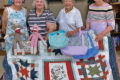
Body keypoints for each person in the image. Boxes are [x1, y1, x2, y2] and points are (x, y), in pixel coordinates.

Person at [2, 0, 28, 79]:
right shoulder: (7, 10)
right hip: (11, 42)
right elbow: (4, 26)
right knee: (11, 63)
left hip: (23, 42)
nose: (18, 0)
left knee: (22, 63)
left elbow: (25, 25)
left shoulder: (25, 11)